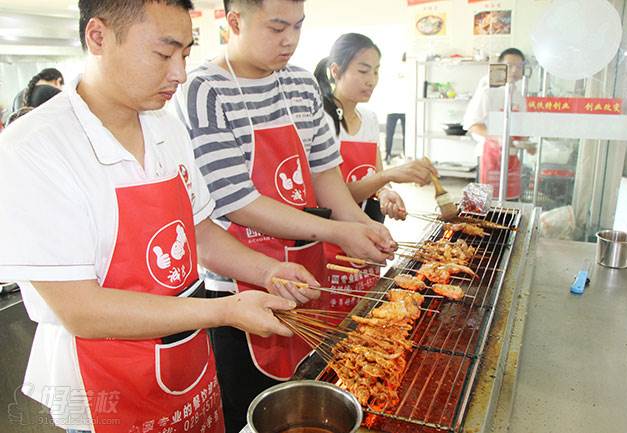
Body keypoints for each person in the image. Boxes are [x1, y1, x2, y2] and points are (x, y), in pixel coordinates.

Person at [0, 2, 321, 433]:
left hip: (185, 363)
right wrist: (225, 311)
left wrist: (269, 270)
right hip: (103, 388)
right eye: (163, 53)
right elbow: (83, 310)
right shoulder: (35, 148)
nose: (180, 73)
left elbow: (201, 232)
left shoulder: (165, 127)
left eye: (186, 54)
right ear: (98, 37)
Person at [174, 1, 396, 431]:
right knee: (253, 410)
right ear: (234, 21)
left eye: (297, 26)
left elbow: (325, 176)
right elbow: (237, 201)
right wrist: (338, 230)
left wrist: (362, 225)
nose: (290, 40)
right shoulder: (204, 89)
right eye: (277, 27)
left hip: (307, 271)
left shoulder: (299, 83)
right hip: (239, 281)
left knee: (313, 389)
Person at [314, 33, 438, 309]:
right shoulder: (320, 120)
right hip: (333, 236)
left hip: (368, 229)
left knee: (363, 311)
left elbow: (374, 174)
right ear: (336, 71)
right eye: (362, 70)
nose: (371, 80)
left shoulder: (369, 119)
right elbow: (330, 194)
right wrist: (387, 176)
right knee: (334, 320)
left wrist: (385, 193)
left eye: (376, 71)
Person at [463, 47, 535, 200]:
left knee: (510, 204)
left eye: (519, 66)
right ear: (500, 66)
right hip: (488, 159)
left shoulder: (519, 98)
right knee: (485, 206)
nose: (515, 70)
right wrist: (498, 138)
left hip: (511, 160)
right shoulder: (488, 92)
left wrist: (527, 144)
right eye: (510, 65)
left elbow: (521, 131)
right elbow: (472, 124)